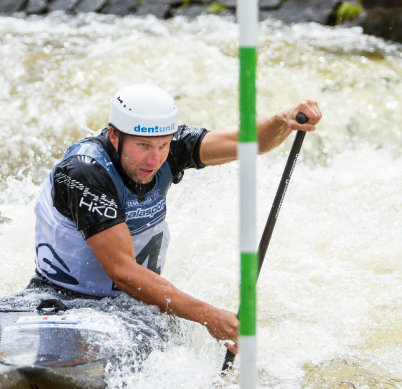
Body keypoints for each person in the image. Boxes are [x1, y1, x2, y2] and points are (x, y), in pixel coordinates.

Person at [32, 83, 322, 355]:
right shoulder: (83, 172)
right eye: (143, 146)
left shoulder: (171, 148)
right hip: (63, 300)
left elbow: (249, 142)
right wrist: (207, 315)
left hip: (136, 307)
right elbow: (122, 271)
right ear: (114, 136)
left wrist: (284, 119)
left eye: (163, 145)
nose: (154, 160)